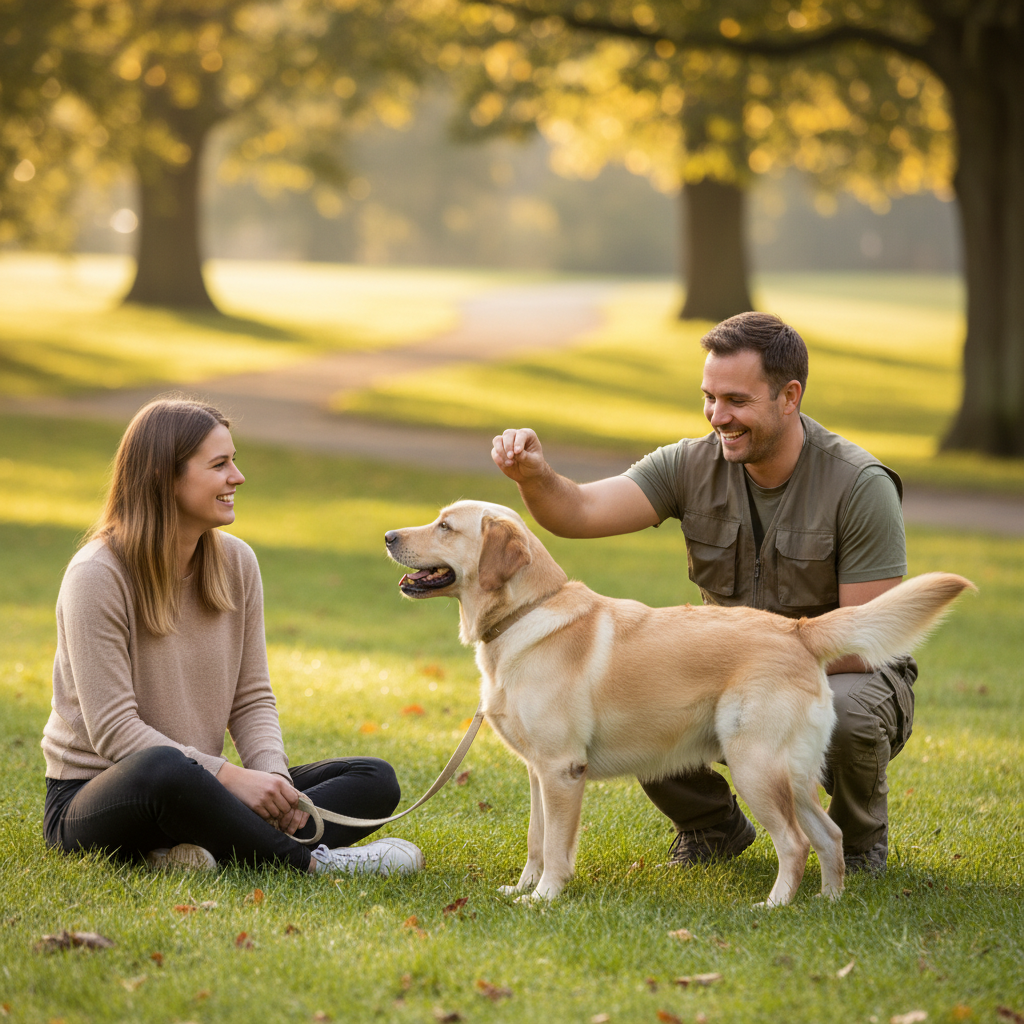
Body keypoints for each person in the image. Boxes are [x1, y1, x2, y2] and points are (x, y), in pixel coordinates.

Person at [491, 311, 915, 876]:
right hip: (725, 670)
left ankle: (860, 846)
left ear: (789, 396)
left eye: (736, 400)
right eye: (709, 398)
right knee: (632, 689)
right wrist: (536, 478)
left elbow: (865, 638)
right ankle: (712, 827)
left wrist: (765, 665)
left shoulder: (859, 485)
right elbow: (581, 511)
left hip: (841, 669)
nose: (719, 416)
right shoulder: (689, 464)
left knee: (850, 714)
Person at [42, 396, 423, 877]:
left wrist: (275, 783)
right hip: (102, 793)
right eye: (220, 464)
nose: (237, 477)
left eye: (234, 462)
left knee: (373, 779)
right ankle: (311, 864)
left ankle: (190, 851)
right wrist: (228, 776)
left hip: (202, 785)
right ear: (165, 477)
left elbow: (252, 697)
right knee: (166, 770)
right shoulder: (97, 575)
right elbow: (115, 731)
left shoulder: (236, 563)